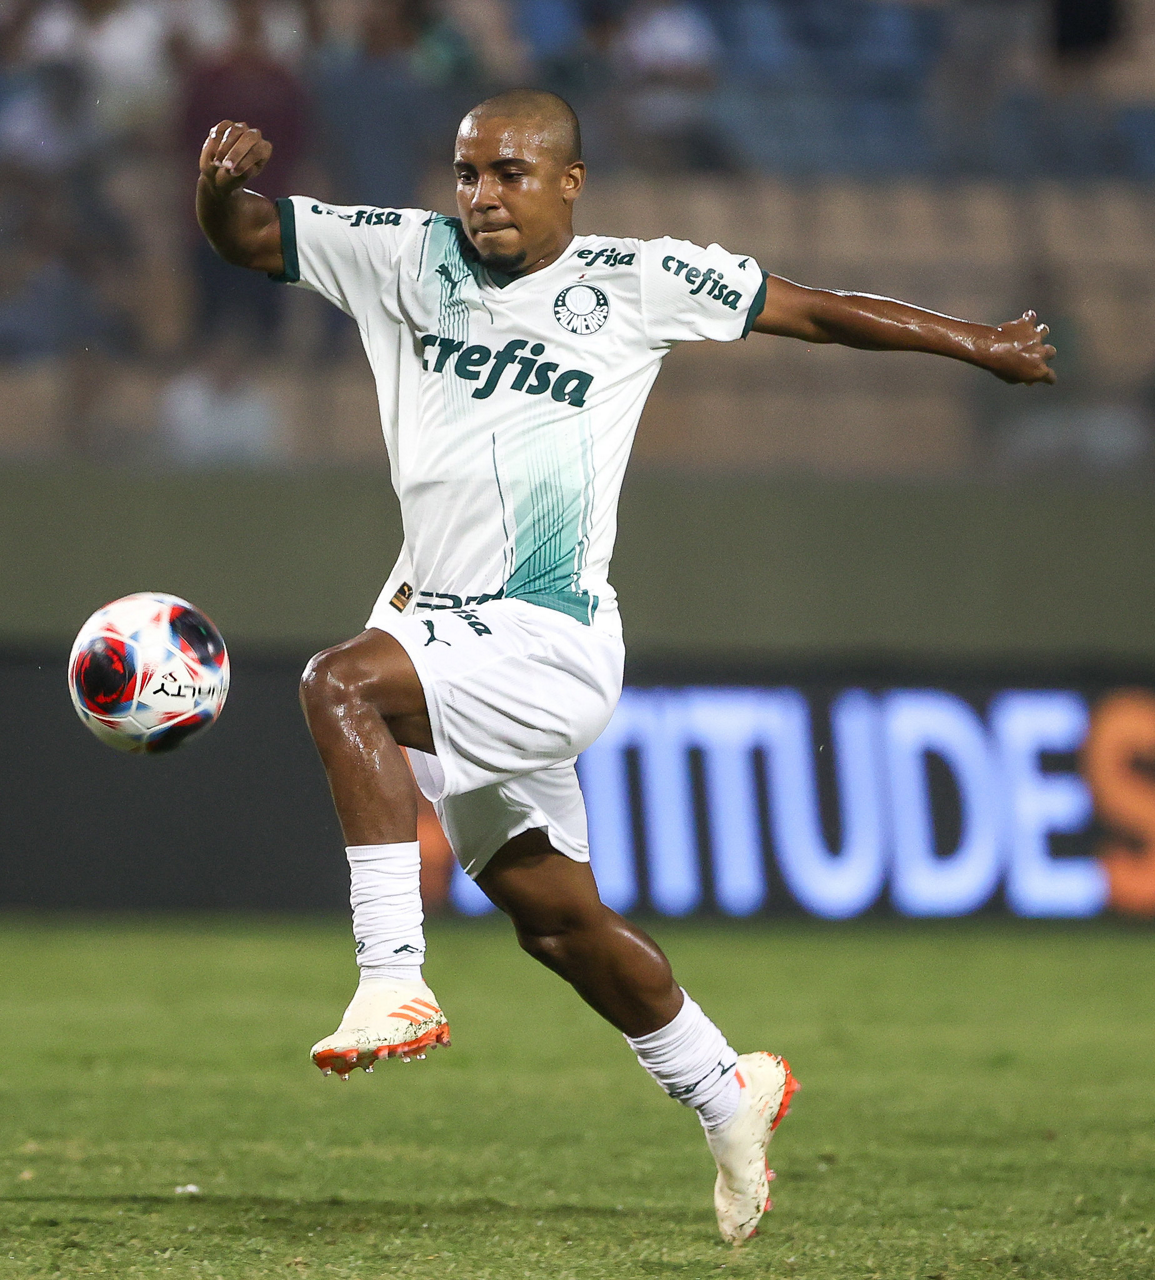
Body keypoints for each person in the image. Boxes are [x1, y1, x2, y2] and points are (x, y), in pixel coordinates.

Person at [195, 90, 1055, 1245]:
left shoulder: (637, 279)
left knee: (336, 683)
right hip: (442, 626)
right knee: (554, 919)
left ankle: (391, 973)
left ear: (568, 182)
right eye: (466, 172)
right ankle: (722, 1086)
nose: (480, 196)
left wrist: (976, 343)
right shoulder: (402, 254)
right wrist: (215, 193)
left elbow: (811, 310)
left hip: (544, 639)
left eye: (508, 173)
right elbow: (252, 236)